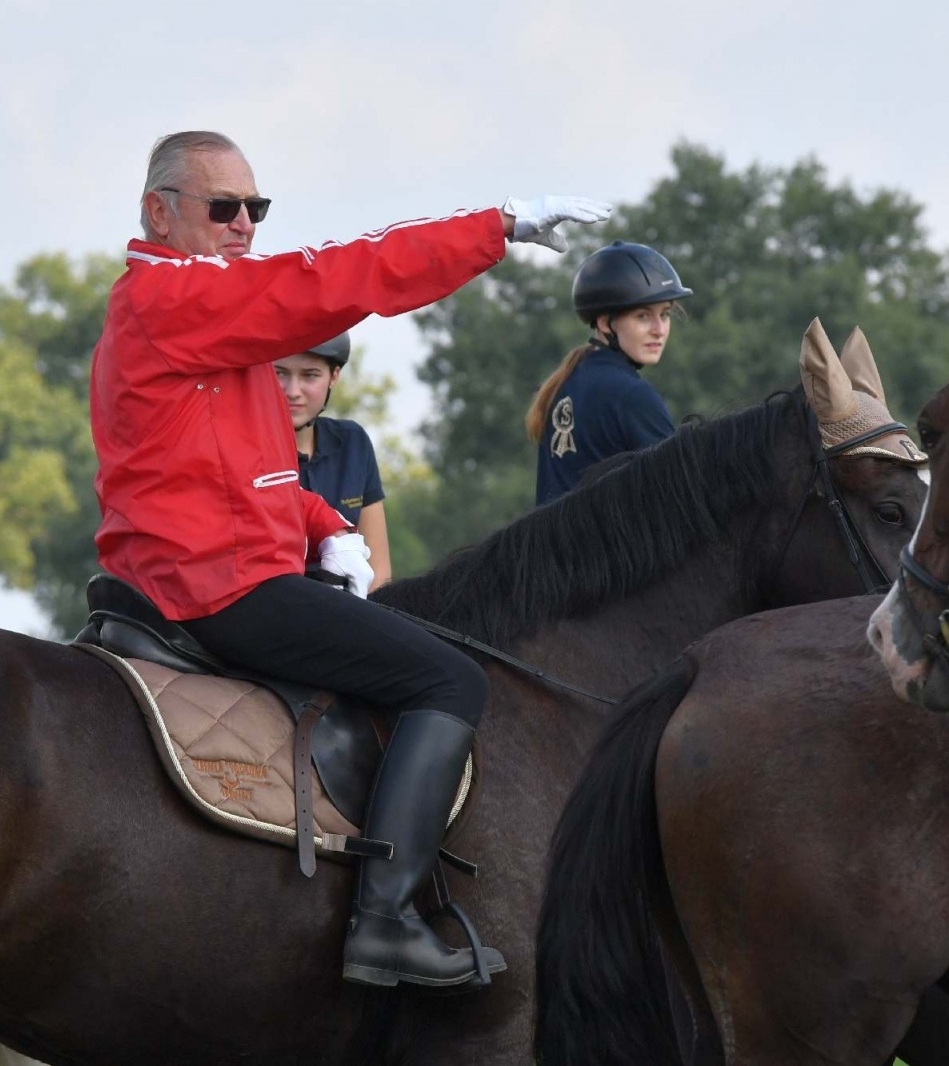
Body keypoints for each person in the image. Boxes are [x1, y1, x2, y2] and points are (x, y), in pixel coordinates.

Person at [91, 129, 610, 991]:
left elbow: (214, 476)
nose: (244, 224)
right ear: (159, 212)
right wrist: (496, 227)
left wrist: (322, 519)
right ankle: (387, 920)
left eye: (257, 208)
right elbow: (342, 274)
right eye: (224, 208)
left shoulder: (190, 313)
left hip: (208, 566)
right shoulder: (176, 298)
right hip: (216, 588)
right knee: (451, 682)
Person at [527, 240, 694, 506]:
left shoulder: (565, 383)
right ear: (606, 323)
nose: (659, 329)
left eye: (664, 315)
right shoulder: (631, 396)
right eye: (642, 316)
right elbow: (679, 499)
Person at [273, 331, 392, 591]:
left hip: (353, 608)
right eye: (279, 373)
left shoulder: (353, 442)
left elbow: (379, 573)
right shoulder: (245, 451)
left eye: (310, 375)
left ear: (333, 377)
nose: (292, 391)